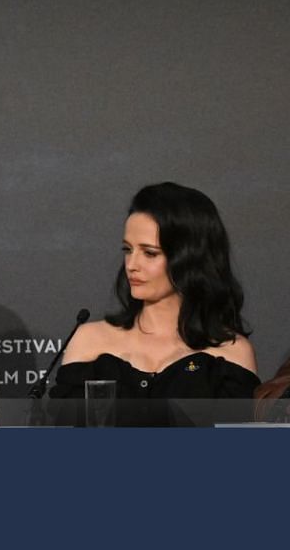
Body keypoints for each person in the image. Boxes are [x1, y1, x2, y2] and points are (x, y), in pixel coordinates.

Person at [50, 182, 257, 426]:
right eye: (128, 250)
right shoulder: (89, 340)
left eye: (150, 253)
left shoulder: (230, 353)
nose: (131, 264)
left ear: (190, 258)